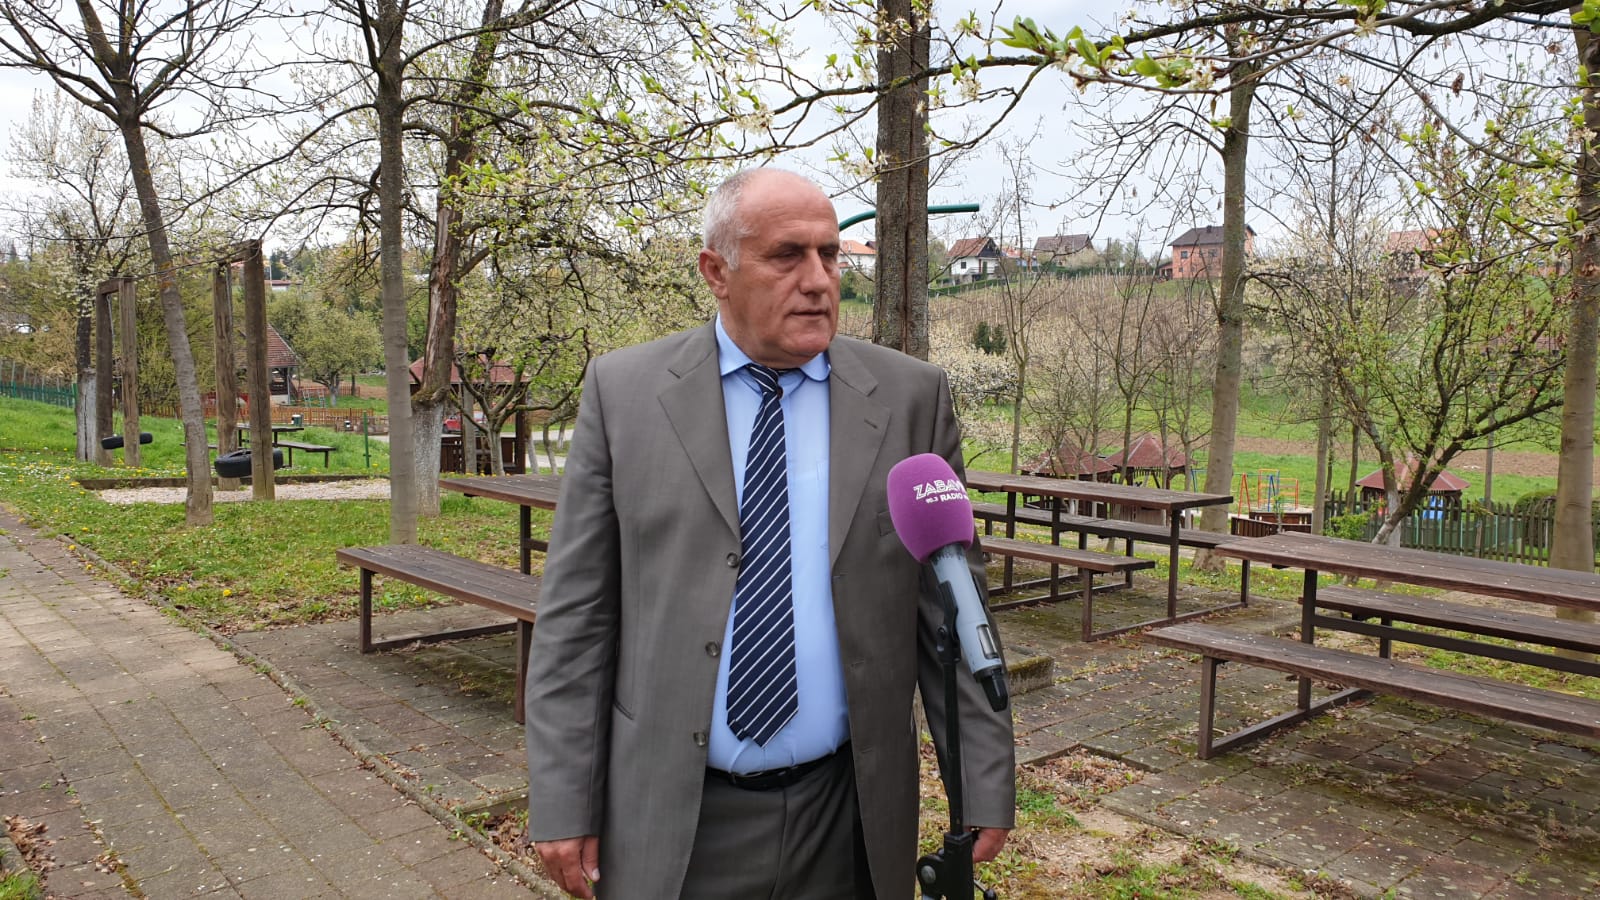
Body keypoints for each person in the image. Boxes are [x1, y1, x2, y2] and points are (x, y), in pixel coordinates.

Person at [523, 168, 1016, 899]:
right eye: (787, 256)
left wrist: (981, 780)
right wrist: (564, 797)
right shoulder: (624, 395)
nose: (818, 280)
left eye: (829, 255)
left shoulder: (911, 398)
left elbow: (953, 609)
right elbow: (577, 617)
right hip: (674, 816)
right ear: (716, 272)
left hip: (847, 816)